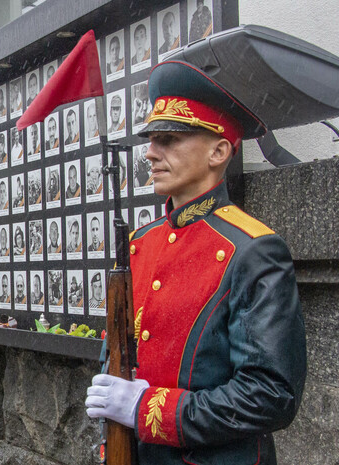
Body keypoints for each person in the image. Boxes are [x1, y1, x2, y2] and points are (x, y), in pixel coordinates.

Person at [85, 60, 305, 465]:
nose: (151, 153)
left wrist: (149, 410)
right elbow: (120, 353)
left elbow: (271, 396)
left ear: (219, 151)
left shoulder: (254, 249)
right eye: (152, 139)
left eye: (169, 139)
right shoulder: (140, 244)